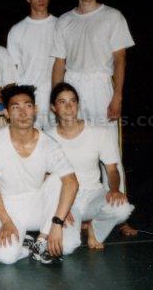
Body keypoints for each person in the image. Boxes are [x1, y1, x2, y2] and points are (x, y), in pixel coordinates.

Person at [51, 0, 135, 237]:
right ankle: (73, 209)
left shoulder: (113, 16)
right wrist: (56, 98)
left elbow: (120, 59)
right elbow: (59, 62)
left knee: (110, 151)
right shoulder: (65, 20)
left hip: (101, 85)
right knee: (70, 147)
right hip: (73, 84)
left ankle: (118, 213)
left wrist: (117, 95)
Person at [0, 84, 80, 265]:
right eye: (15, 107)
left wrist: (58, 220)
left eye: (27, 106)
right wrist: (6, 221)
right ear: (6, 113)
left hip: (39, 205)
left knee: (67, 246)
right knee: (6, 257)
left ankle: (41, 239)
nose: (22, 113)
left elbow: (71, 182)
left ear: (35, 110)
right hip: (9, 208)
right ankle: (26, 244)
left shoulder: (48, 143)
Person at [47, 83, 134, 249]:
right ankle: (75, 227)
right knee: (67, 247)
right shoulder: (46, 137)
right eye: (62, 102)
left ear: (78, 105)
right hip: (65, 199)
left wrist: (115, 190)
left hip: (93, 195)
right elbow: (44, 177)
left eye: (73, 101)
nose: (68, 107)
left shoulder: (99, 132)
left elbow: (112, 170)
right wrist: (58, 208)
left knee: (122, 208)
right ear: (53, 107)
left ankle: (94, 228)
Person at [7, 0, 57, 128]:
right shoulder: (17, 30)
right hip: (29, 98)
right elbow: (13, 69)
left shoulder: (61, 25)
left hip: (55, 96)